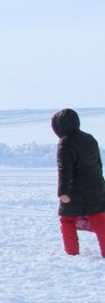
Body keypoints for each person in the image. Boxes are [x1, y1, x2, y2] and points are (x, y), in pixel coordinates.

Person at [52, 108, 105, 257]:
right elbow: (98, 164)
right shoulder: (90, 138)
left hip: (75, 190)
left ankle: (72, 253)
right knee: (99, 218)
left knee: (67, 220)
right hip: (96, 186)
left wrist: (63, 192)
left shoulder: (65, 143)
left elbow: (64, 170)